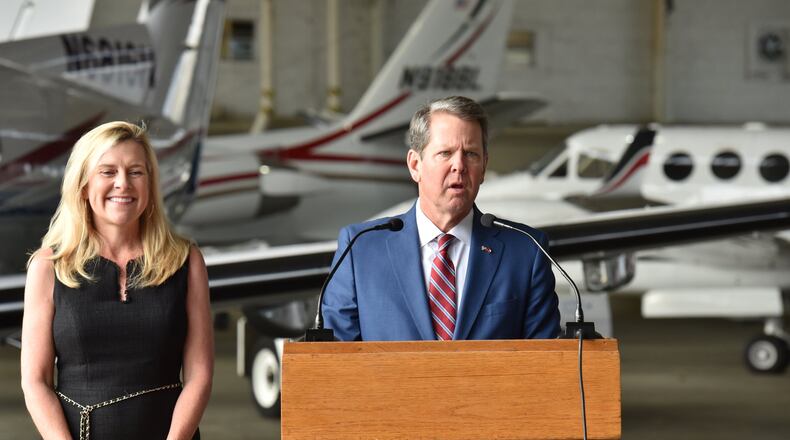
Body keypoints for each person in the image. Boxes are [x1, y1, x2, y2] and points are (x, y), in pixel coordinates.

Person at [20, 121, 213, 439]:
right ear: (83, 184)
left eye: (136, 172)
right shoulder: (48, 266)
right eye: (108, 172)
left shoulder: (185, 260)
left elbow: (200, 375)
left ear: (149, 184)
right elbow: (35, 381)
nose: (123, 183)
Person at [322, 96, 560, 341]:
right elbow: (335, 361)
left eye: (471, 154)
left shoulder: (525, 251)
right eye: (445, 153)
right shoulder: (360, 248)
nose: (459, 165)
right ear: (415, 165)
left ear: (484, 167)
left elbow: (545, 364)